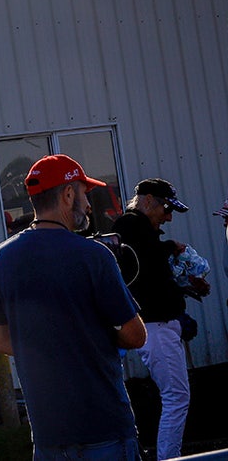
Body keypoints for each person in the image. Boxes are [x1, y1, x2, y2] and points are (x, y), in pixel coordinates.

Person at [0, 154, 147, 460]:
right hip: (105, 428)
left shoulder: (2, 256)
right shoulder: (93, 256)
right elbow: (136, 335)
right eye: (84, 194)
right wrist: (96, 343)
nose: (89, 204)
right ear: (68, 194)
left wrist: (44, 350)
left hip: (48, 437)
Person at [111, 178, 192, 460]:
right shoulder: (131, 226)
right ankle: (169, 457)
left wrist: (184, 288)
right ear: (147, 201)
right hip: (155, 326)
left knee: (172, 396)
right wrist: (169, 247)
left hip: (158, 324)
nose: (168, 217)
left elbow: (146, 275)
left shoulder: (136, 229)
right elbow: (143, 266)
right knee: (176, 397)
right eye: (166, 209)